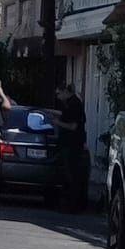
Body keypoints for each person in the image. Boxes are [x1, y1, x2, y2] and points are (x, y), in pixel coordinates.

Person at [43, 84, 89, 213]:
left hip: (72, 145)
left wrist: (56, 122)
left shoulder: (74, 104)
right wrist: (49, 111)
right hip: (68, 144)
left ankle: (73, 205)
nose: (57, 97)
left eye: (58, 94)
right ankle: (68, 203)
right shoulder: (70, 103)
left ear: (65, 91)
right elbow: (65, 114)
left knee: (71, 175)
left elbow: (73, 126)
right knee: (68, 175)